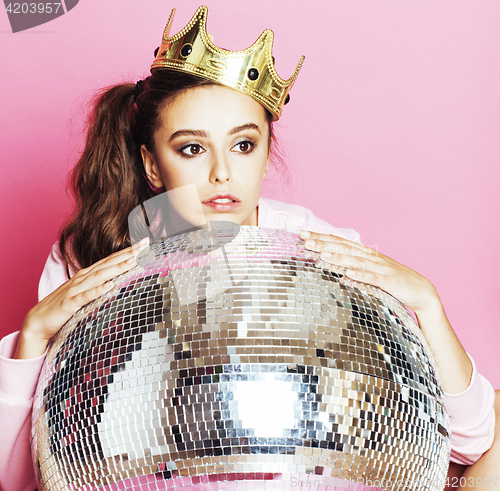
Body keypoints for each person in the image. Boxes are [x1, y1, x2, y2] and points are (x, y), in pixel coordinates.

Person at [0, 6, 497, 491]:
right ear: (152, 166)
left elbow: (473, 440)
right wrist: (35, 334)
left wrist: (428, 303)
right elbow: (19, 476)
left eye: (243, 145)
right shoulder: (90, 257)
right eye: (192, 148)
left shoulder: (319, 251)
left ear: (264, 154)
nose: (222, 173)